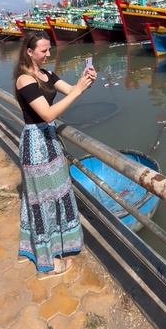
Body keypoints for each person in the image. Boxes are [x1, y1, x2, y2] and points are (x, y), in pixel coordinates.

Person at [13, 31, 96, 279]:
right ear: (29, 52)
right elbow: (47, 114)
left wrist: (85, 81)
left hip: (49, 141)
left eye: (49, 50)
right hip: (36, 144)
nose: (48, 54)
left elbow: (70, 90)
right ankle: (46, 265)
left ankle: (38, 249)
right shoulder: (24, 81)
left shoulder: (46, 74)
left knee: (54, 195)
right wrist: (77, 91)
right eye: (43, 51)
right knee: (42, 200)